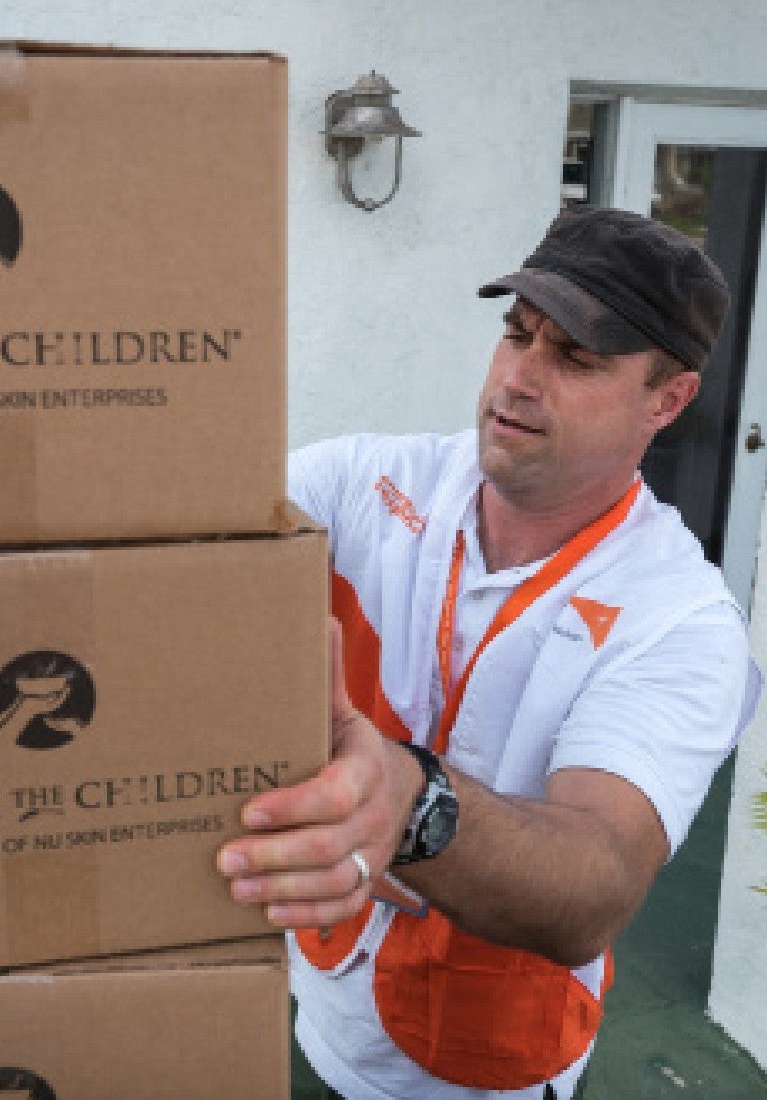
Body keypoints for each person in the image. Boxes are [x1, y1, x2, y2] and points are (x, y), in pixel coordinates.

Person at [215, 206, 762, 1100]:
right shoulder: (368, 482)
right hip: (316, 990)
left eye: (574, 359)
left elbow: (596, 883)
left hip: (482, 1067)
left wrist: (408, 799)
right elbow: (185, 544)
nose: (517, 377)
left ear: (667, 399)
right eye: (515, 335)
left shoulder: (680, 618)